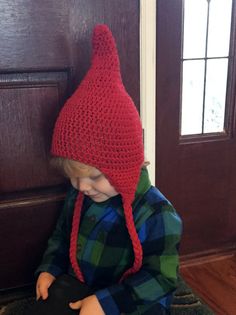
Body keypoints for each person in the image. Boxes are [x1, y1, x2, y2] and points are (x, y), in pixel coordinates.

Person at [30, 24, 182, 315]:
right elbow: (61, 238)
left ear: (132, 164)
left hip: (131, 301)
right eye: (74, 176)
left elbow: (162, 279)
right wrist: (49, 269)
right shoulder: (81, 197)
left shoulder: (157, 213)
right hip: (84, 289)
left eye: (94, 176)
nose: (82, 186)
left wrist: (106, 303)